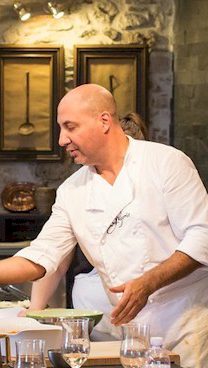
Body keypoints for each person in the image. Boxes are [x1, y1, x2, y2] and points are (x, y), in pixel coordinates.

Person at [0, 86, 208, 368]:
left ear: (104, 121)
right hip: (132, 329)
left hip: (188, 322)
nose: (61, 140)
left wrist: (148, 282)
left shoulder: (166, 163)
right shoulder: (72, 191)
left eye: (70, 127)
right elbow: (40, 258)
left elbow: (203, 238)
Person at [25, 111, 149, 341]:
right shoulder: (76, 191)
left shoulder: (157, 180)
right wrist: (35, 310)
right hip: (94, 317)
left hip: (151, 316)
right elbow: (53, 259)